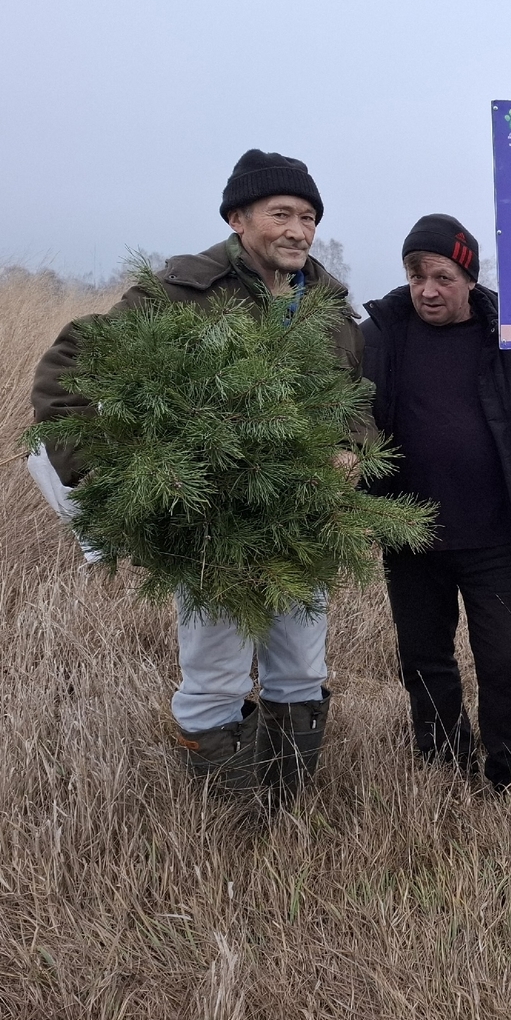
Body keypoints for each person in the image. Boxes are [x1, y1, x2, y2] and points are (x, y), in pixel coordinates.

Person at [31, 149, 373, 800]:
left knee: (302, 671)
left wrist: (353, 447)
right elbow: (73, 361)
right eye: (281, 214)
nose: (299, 230)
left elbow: (356, 399)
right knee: (215, 676)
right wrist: (97, 469)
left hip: (304, 521)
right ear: (238, 219)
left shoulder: (331, 307)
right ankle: (232, 814)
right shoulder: (184, 291)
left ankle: (285, 805)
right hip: (213, 523)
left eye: (308, 217)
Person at [360, 214, 511, 792]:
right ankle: (443, 764)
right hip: (409, 532)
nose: (427, 291)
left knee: (505, 658)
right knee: (424, 658)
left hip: (496, 536)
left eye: (442, 277)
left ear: (470, 278)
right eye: (416, 276)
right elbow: (349, 420)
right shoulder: (380, 336)